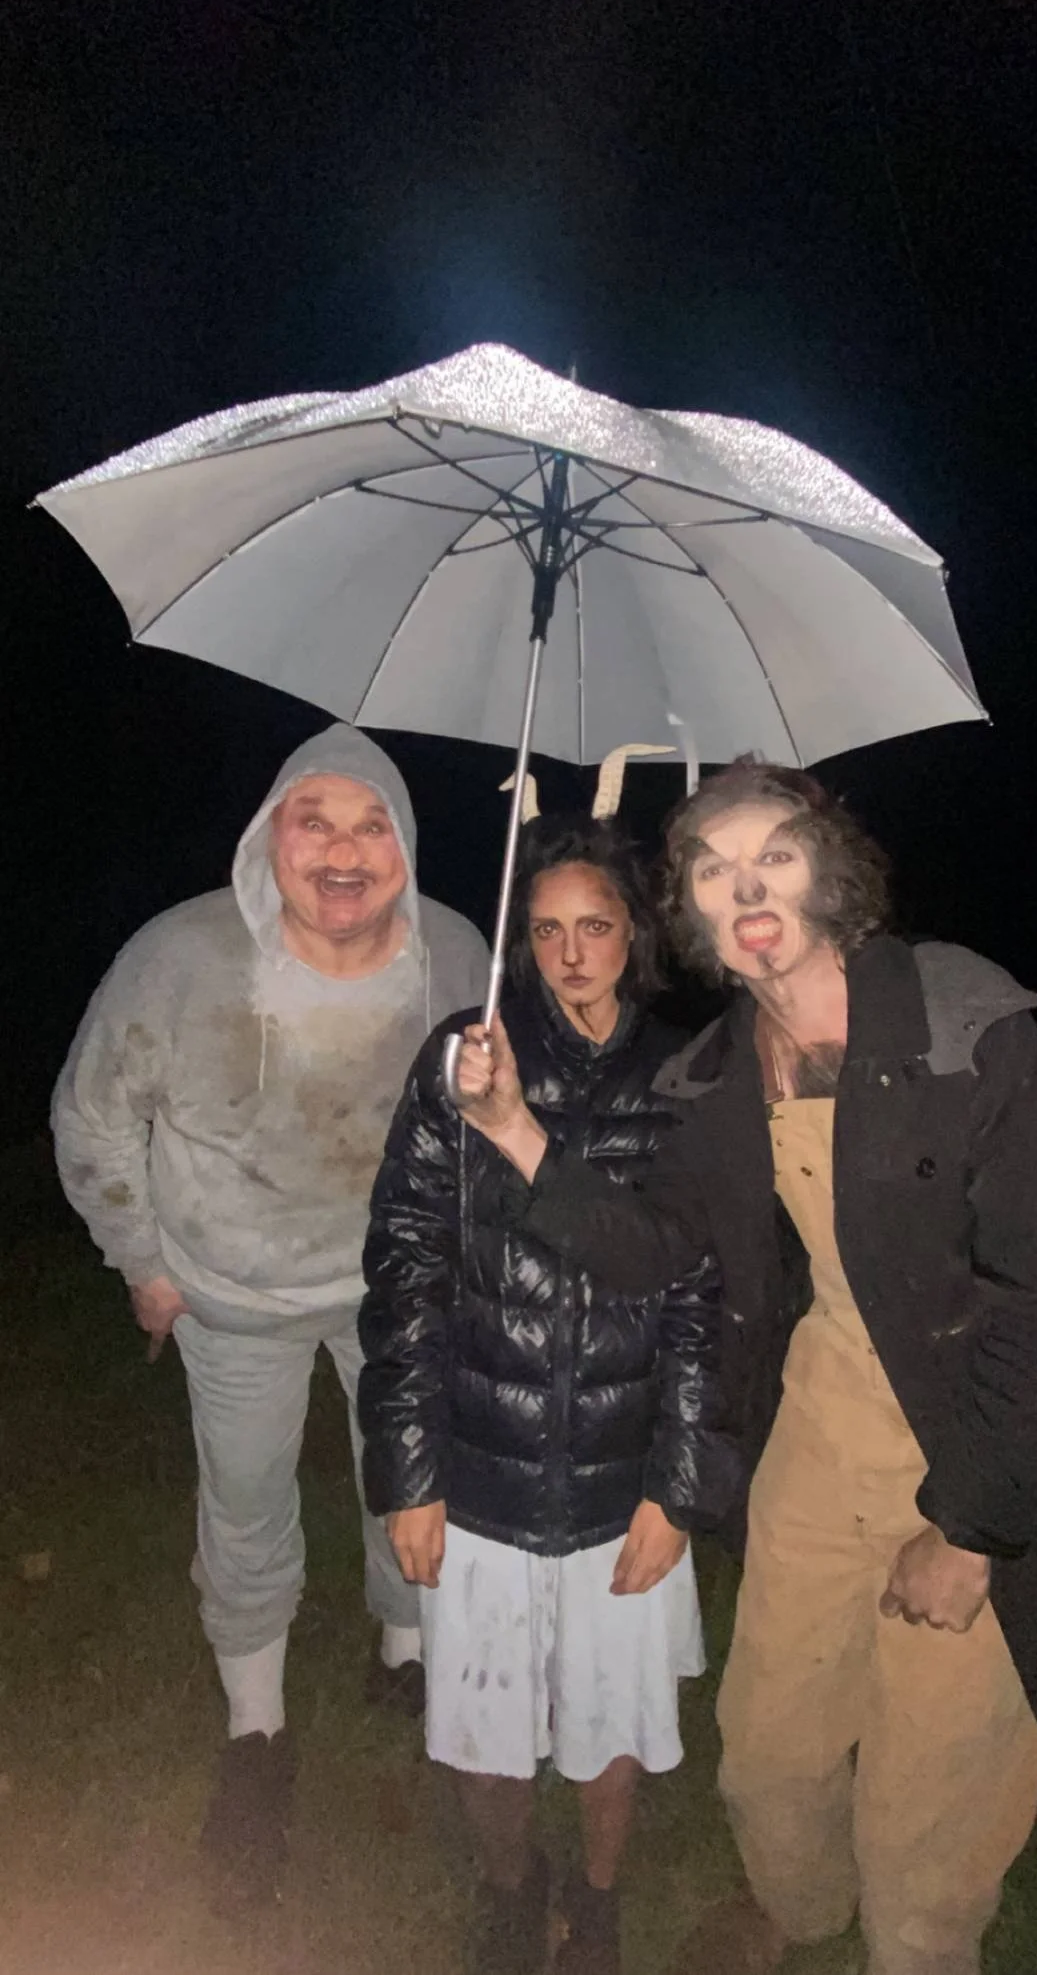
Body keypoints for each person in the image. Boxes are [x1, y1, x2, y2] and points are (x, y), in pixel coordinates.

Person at [451, 759, 1037, 1975]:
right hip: (821, 1434)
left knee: (925, 1811)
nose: (744, 885)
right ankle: (797, 1919)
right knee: (765, 1752)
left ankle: (916, 1951)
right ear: (690, 911)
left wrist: (971, 1532)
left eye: (774, 854)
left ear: (831, 872)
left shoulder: (964, 1027)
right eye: (710, 868)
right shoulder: (714, 1074)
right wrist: (514, 1133)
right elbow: (656, 1245)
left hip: (976, 1438)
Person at [52, 723, 490, 1911]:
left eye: (372, 826)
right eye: (317, 822)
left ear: (405, 845)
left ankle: (403, 1650)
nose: (344, 854)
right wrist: (142, 1261)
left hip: (397, 1288)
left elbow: (489, 1126)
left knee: (406, 1482)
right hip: (229, 1292)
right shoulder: (182, 956)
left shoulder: (458, 952)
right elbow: (92, 1122)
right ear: (270, 837)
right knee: (245, 1496)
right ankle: (256, 1731)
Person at [359, 815, 736, 1975]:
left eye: (596, 927)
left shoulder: (690, 1076)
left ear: (635, 937)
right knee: (482, 1722)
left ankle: (602, 1892)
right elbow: (405, 1266)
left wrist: (675, 1489)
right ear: (521, 942)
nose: (572, 953)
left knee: (609, 1722)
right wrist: (410, 1475)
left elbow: (702, 1301)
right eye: (547, 931)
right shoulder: (460, 1063)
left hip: (622, 1474)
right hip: (482, 1467)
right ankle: (512, 1892)